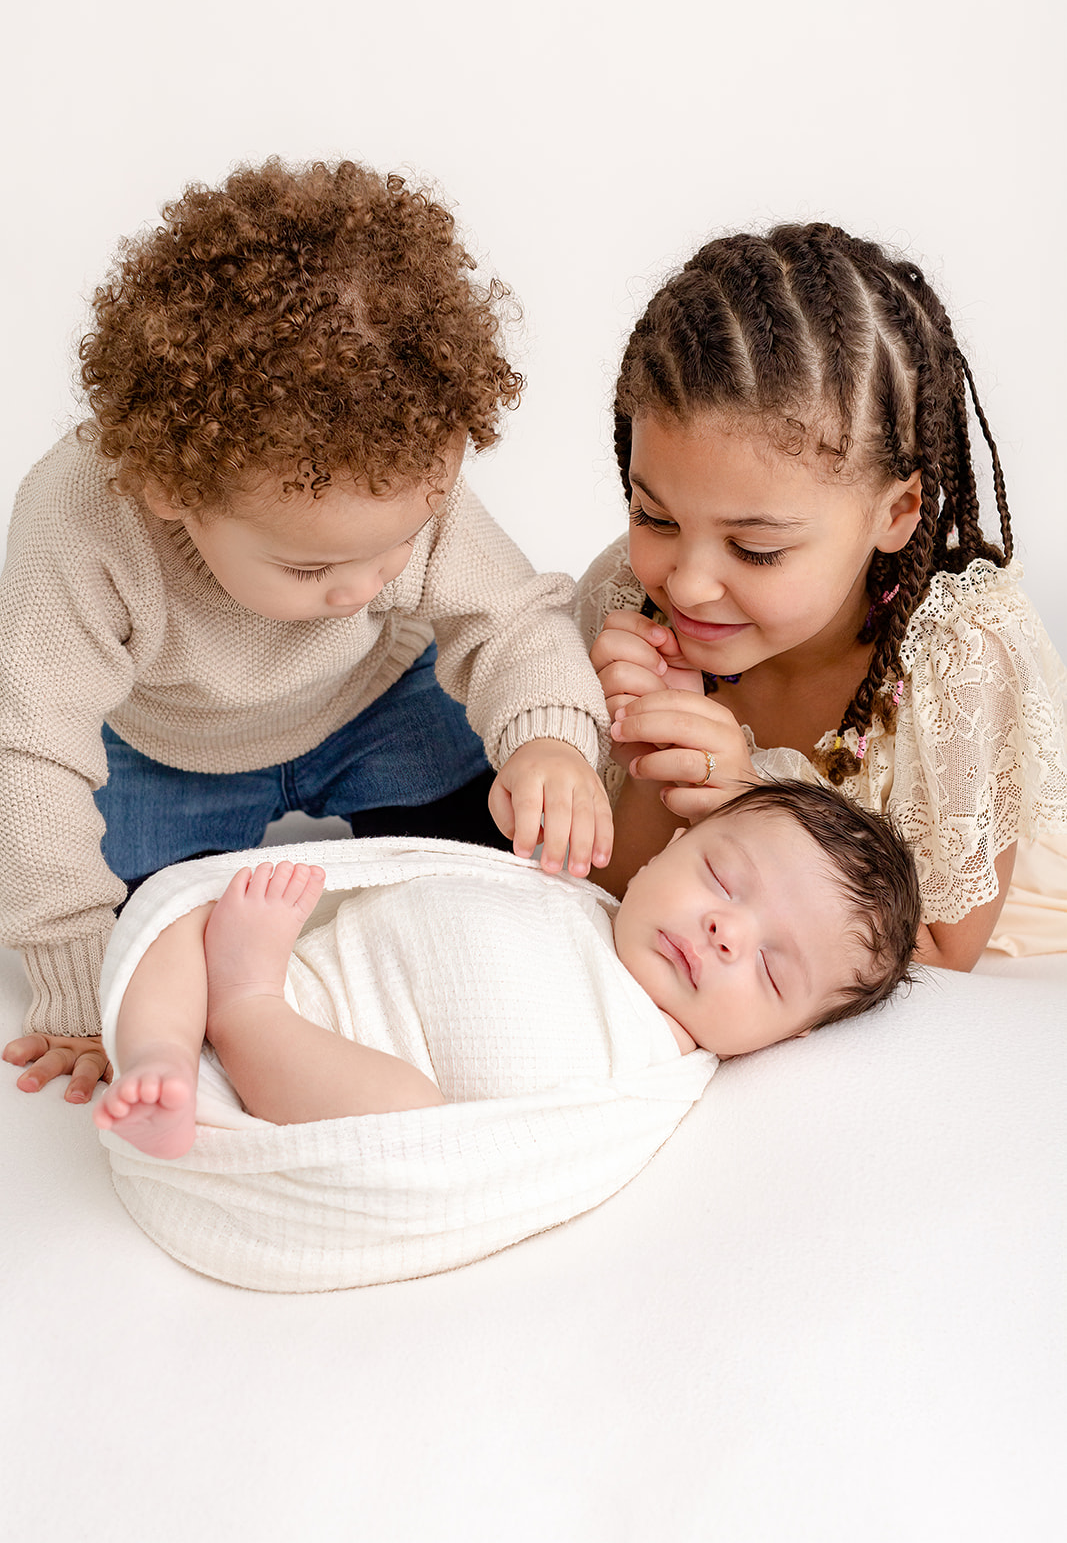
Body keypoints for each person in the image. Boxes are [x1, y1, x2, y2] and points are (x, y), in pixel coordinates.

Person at [0, 158, 611, 1104]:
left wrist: (550, 744)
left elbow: (510, 619)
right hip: (177, 748)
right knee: (158, 943)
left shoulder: (386, 465)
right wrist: (81, 984)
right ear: (174, 491)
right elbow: (30, 753)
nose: (366, 586)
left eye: (399, 544)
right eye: (310, 568)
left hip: (376, 702)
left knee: (498, 865)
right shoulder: (82, 519)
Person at [579, 223, 1067, 970]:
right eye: (655, 517)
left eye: (756, 549)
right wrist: (656, 756)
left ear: (895, 514)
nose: (687, 583)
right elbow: (611, 901)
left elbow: (945, 956)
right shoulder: (627, 600)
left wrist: (754, 803)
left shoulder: (959, 659)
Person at [92, 780, 921, 1159]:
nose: (724, 931)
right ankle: (161, 1056)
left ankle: (242, 1009)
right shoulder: (563, 895)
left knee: (409, 1122)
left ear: (787, 1036)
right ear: (669, 847)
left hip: (324, 1075)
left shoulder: (651, 1078)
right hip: (314, 963)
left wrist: (251, 990)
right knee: (186, 904)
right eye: (720, 878)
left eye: (772, 972)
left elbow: (511, 1160)